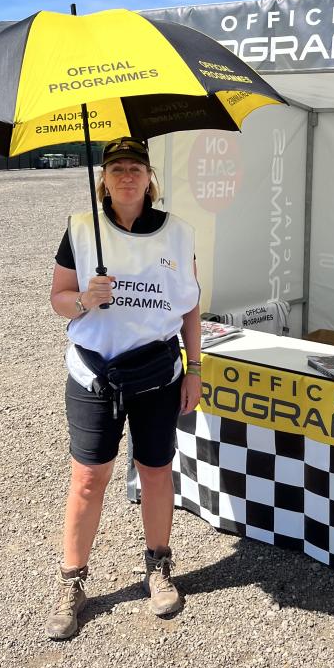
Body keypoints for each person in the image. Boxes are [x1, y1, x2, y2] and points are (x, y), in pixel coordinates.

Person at [45, 137, 201, 640]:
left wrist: (194, 368)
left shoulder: (177, 232)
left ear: (149, 177)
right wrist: (84, 299)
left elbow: (191, 305)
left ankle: (158, 566)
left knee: (155, 472)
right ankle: (72, 582)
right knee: (89, 478)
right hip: (95, 373)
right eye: (117, 168)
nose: (127, 176)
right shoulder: (81, 228)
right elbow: (57, 299)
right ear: (104, 179)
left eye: (135, 167)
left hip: (156, 373)